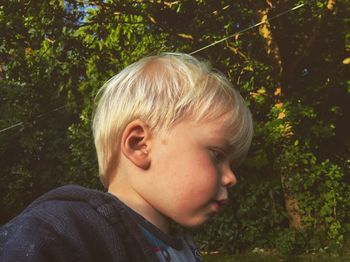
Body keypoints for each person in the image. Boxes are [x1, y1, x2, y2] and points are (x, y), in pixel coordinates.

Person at [0, 53, 253, 261]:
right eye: (217, 155)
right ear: (139, 144)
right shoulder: (66, 231)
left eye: (232, 164)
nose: (232, 178)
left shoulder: (185, 248)